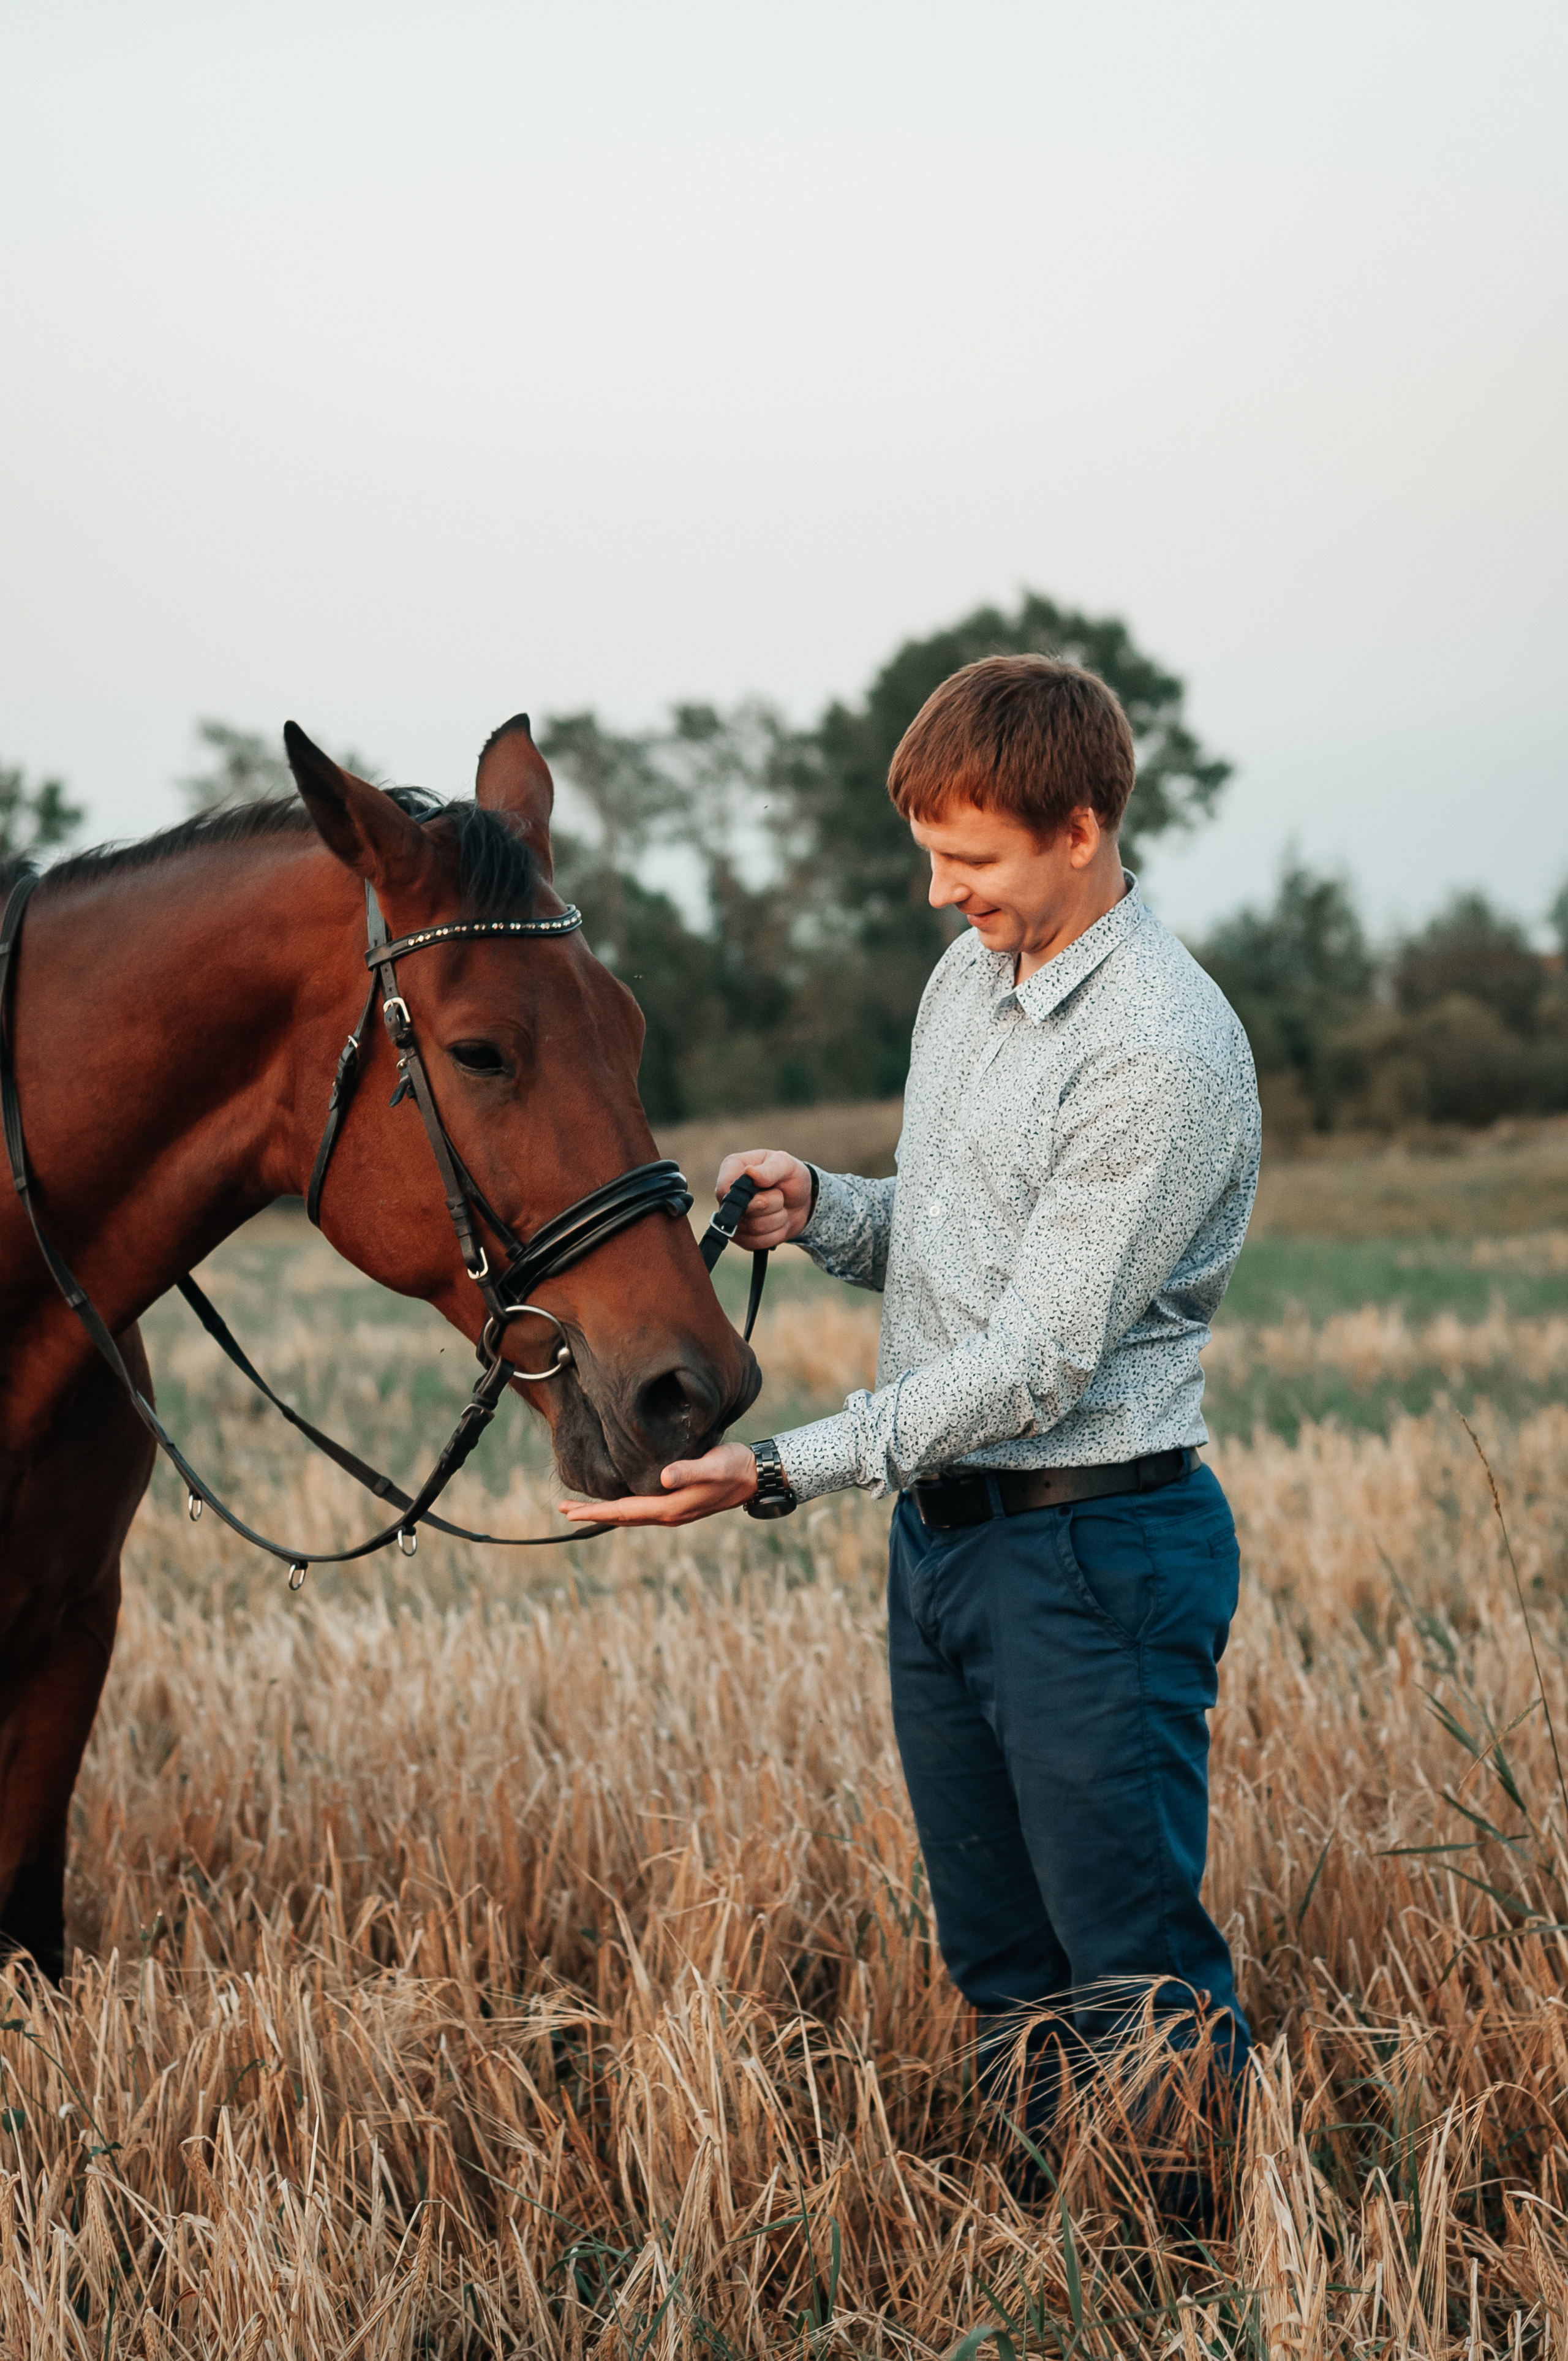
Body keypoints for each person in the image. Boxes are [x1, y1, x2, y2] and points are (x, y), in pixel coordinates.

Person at [562, 653, 1261, 2155]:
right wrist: (819, 1208)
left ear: (1079, 830)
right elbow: (946, 1244)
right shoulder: (969, 977)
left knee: (1130, 1971)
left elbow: (1032, 1364)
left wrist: (776, 1470)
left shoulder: (1159, 1045)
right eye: (929, 855)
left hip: (1094, 1553)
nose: (941, 894)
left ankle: (1181, 2281)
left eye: (972, 858)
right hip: (948, 1547)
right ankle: (1044, 2240)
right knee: (1001, 1964)